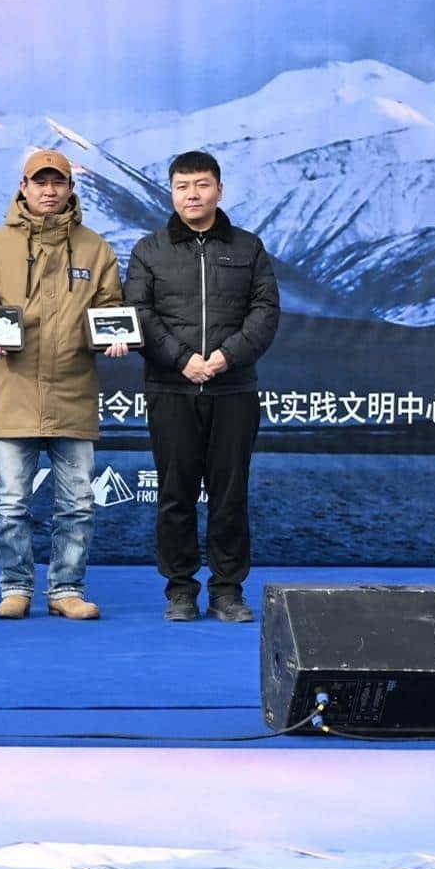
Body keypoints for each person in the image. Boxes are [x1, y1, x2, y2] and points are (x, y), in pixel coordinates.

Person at [0, 148, 131, 621]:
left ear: (71, 188)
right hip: (12, 393)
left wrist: (113, 335)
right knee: (10, 503)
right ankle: (15, 587)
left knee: (77, 504)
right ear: (24, 187)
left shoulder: (96, 248)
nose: (49, 191)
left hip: (74, 392)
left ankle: (66, 590)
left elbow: (110, 308)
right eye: (40, 182)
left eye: (58, 182)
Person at [125, 150, 283, 624]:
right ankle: (180, 589)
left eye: (201, 185)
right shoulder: (149, 249)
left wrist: (226, 357)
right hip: (171, 389)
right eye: (182, 186)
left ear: (219, 189)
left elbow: (265, 312)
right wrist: (182, 360)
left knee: (229, 493)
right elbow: (139, 314)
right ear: (171, 192)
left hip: (233, 390)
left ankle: (227, 590)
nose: (192, 195)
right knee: (175, 493)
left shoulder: (248, 247)